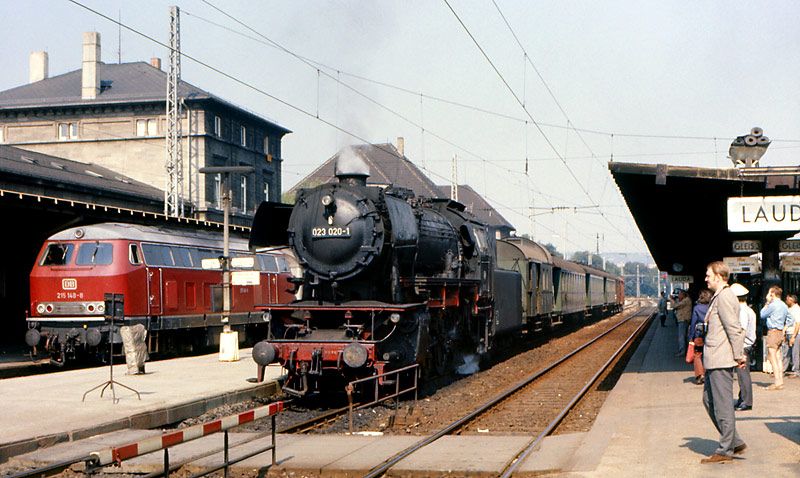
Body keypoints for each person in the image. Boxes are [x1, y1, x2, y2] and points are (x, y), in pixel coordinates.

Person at [700, 261, 746, 464]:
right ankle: (734, 441)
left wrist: (739, 355)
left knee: (723, 406)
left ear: (719, 276)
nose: (706, 278)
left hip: (721, 358)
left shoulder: (725, 296)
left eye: (709, 275)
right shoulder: (719, 296)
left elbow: (733, 328)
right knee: (709, 401)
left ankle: (726, 449)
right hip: (714, 358)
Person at [760, 285, 792, 390]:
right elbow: (791, 319)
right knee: (778, 357)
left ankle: (776, 381)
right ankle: (780, 381)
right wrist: (784, 328)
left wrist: (767, 303)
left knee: (772, 357)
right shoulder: (784, 305)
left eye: (769, 293)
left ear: (772, 294)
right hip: (780, 332)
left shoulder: (772, 305)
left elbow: (762, 314)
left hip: (773, 332)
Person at [730, 284, 756, 411]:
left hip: (743, 345)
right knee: (743, 374)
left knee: (743, 374)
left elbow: (742, 331)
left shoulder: (741, 311)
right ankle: (742, 399)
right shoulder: (749, 310)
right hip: (747, 344)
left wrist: (738, 348)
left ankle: (746, 401)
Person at [689, 289, 712, 384]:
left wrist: (691, 337)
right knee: (709, 354)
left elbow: (693, 323)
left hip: (699, 335)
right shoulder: (712, 308)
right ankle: (708, 375)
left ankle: (699, 375)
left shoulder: (697, 308)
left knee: (697, 355)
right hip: (710, 334)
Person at [670, 289, 693, 356]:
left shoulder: (686, 300)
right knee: (684, 336)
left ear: (683, 295)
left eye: (679, 294)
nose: (678, 296)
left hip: (683, 320)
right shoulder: (685, 300)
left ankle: (682, 351)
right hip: (683, 319)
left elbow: (675, 306)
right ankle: (684, 350)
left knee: (681, 336)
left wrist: (672, 300)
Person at [783, 294, 800, 378]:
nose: (786, 301)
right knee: (786, 352)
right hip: (788, 332)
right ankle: (782, 369)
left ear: (791, 300)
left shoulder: (797, 310)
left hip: (794, 333)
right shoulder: (789, 309)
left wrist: (794, 336)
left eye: (787, 299)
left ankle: (796, 371)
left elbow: (798, 324)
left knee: (795, 352)